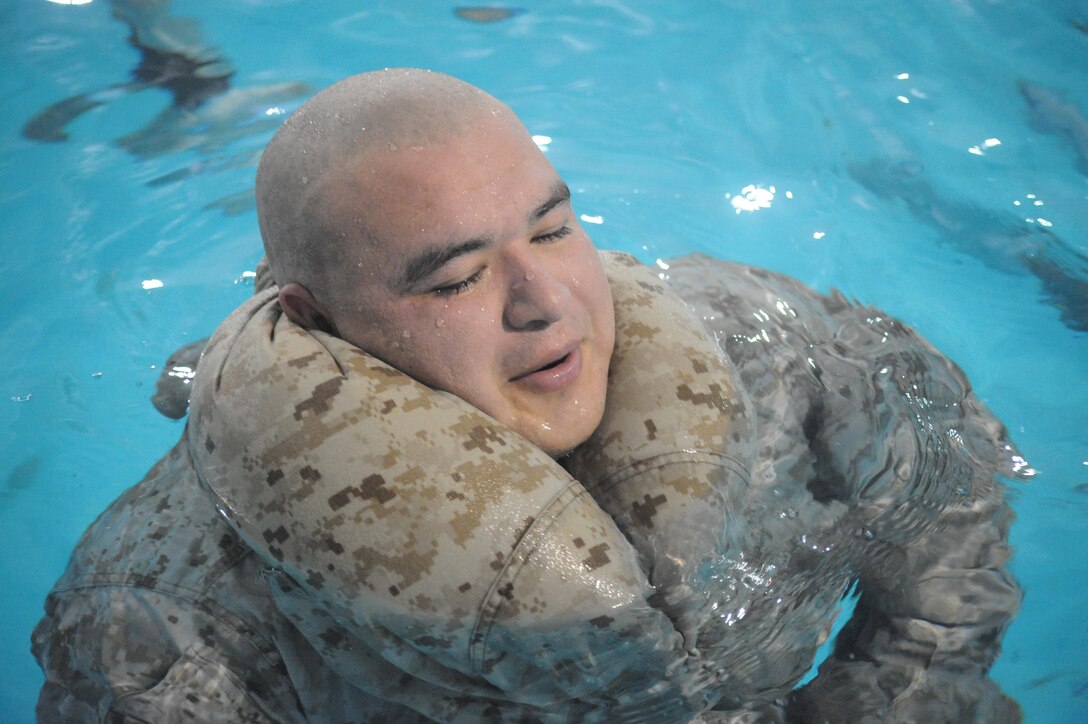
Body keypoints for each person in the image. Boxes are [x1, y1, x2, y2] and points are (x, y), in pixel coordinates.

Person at [33, 69, 1025, 722]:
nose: (548, 306)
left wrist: (909, 679)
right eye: (455, 277)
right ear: (317, 317)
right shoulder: (166, 609)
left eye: (552, 228)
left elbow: (946, 474)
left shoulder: (766, 343)